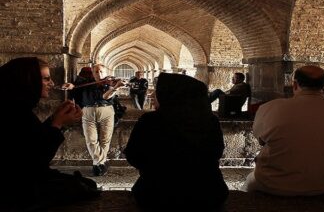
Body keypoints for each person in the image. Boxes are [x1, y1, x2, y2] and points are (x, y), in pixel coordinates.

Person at [0, 57, 100, 211]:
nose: (52, 83)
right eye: (46, 79)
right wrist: (57, 124)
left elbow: (33, 138)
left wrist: (55, 117)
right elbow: (34, 160)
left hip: (23, 178)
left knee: (86, 185)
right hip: (15, 186)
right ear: (28, 80)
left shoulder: (17, 107)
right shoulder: (12, 112)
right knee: (82, 188)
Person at [124, 73, 228, 211]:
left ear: (171, 94)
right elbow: (216, 152)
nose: (154, 95)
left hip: (156, 194)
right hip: (208, 193)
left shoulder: (151, 121)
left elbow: (134, 155)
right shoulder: (210, 120)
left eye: (159, 91)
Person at [241, 65, 324, 196]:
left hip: (272, 182)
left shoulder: (270, 107)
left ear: (295, 84)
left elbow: (260, 139)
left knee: (248, 183)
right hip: (322, 184)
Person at [68, 64, 125, 176]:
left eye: (101, 71)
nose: (99, 74)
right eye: (96, 72)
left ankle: (97, 165)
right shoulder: (84, 82)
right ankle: (100, 163)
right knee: (91, 140)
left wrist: (115, 88)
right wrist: (70, 85)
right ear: (92, 73)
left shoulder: (110, 82)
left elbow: (106, 97)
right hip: (88, 111)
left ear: (106, 72)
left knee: (105, 140)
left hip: (106, 111)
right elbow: (74, 87)